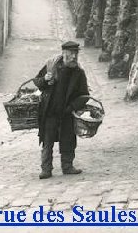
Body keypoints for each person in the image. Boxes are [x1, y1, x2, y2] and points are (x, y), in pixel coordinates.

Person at [33, 40, 89, 179]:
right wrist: (45, 80)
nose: (74, 57)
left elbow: (84, 95)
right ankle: (46, 169)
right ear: (63, 53)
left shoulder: (79, 72)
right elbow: (37, 82)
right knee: (47, 141)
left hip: (67, 113)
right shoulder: (51, 66)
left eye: (76, 54)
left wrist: (72, 107)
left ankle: (67, 166)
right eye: (71, 54)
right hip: (50, 112)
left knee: (68, 140)